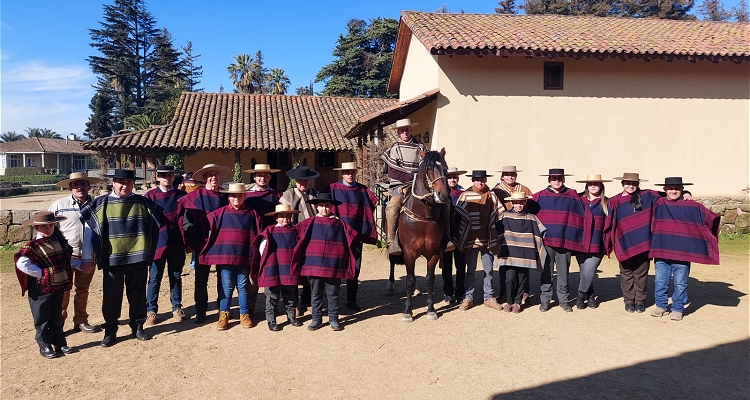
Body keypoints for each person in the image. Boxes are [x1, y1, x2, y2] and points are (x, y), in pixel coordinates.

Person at [80, 169, 161, 347]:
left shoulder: (143, 203)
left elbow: (156, 225)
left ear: (133, 183)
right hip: (112, 258)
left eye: (129, 182)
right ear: (113, 183)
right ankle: (110, 330)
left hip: (137, 257)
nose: (125, 186)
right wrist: (87, 257)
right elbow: (89, 231)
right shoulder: (101, 204)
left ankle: (138, 326)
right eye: (120, 182)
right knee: (111, 296)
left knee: (138, 293)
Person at [649, 177, 719, 321]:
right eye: (670, 188)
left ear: (681, 189)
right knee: (660, 281)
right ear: (664, 190)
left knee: (680, 283)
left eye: (677, 188)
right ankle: (661, 306)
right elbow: (644, 195)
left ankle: (677, 308)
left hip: (683, 252)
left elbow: (709, 218)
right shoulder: (658, 203)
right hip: (662, 250)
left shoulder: (691, 206)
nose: (673, 191)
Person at [14, 211, 77, 358]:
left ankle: (60, 342)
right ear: (36, 228)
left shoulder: (59, 241)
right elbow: (21, 263)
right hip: (40, 289)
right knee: (42, 316)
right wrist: (42, 274)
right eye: (44, 226)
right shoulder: (32, 246)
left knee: (56, 314)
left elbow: (66, 259)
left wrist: (78, 264)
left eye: (50, 225)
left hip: (58, 285)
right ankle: (44, 344)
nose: (48, 229)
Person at [292, 193, 358, 331]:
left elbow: (352, 237)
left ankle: (333, 319)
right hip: (314, 264)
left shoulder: (340, 224)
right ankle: (316, 319)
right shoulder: (309, 223)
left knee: (333, 293)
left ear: (331, 207)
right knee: (315, 294)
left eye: (327, 206)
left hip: (333, 265)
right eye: (321, 206)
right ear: (316, 207)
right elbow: (293, 233)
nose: (324, 209)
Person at [201, 183, 262, 330]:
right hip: (226, 256)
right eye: (233, 195)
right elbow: (204, 225)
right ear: (228, 197)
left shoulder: (252, 213)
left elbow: (258, 233)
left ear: (244, 196)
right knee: (226, 286)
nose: (236, 198)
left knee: (242, 285)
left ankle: (244, 314)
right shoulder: (219, 213)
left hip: (244, 256)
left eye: (240, 195)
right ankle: (224, 314)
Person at [48, 171, 103, 334]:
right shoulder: (58, 205)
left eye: (83, 184)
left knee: (83, 290)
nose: (80, 187)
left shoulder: (97, 206)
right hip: (65, 257)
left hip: (88, 256)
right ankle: (58, 323)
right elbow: (48, 230)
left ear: (89, 186)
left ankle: (81, 320)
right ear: (70, 187)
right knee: (63, 291)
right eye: (76, 184)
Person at [532, 168, 592, 313]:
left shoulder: (572, 195)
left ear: (564, 179)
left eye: (559, 178)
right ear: (549, 180)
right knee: (546, 271)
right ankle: (545, 300)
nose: (557, 181)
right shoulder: (539, 196)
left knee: (563, 273)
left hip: (565, 241)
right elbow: (528, 214)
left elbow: (582, 214)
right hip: (546, 242)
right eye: (553, 178)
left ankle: (564, 300)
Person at [177, 163, 230, 323]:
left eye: (216, 174)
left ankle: (223, 310)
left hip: (222, 245)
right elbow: (187, 223)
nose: (214, 177)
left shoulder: (226, 197)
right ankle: (201, 310)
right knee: (201, 279)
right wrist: (200, 234)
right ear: (205, 178)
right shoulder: (195, 197)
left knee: (224, 278)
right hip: (202, 244)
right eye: (210, 175)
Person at [603, 172, 660, 314]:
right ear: (622, 184)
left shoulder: (648, 196)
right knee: (626, 273)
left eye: (634, 183)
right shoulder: (615, 201)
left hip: (644, 242)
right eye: (628, 183)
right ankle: (628, 300)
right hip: (624, 242)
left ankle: (640, 301)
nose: (631, 186)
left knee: (641, 273)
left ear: (638, 184)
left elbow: (666, 196)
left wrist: (686, 192)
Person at [329, 161, 378, 311]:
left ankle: (351, 300)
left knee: (354, 269)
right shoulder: (332, 188)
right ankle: (333, 302)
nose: (350, 175)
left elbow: (373, 203)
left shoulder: (363, 190)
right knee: (335, 269)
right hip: (337, 236)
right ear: (342, 173)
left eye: (352, 172)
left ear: (356, 173)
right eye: (347, 172)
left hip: (356, 235)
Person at [453, 170, 504, 311]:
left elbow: (500, 213)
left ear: (485, 180)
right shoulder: (465, 195)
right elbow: (459, 214)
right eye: (477, 180)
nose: (480, 182)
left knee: (488, 270)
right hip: (470, 238)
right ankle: (468, 298)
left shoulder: (492, 195)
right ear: (473, 180)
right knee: (470, 270)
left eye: (482, 179)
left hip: (487, 238)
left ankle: (489, 297)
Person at [144, 165, 187, 325]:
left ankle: (176, 307)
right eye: (163, 175)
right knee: (155, 278)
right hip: (157, 243)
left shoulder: (181, 196)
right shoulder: (150, 196)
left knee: (175, 276)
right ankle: (151, 310)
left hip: (176, 242)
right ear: (158, 177)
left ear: (173, 177)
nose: (166, 178)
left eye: (169, 175)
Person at [252, 204, 304, 331]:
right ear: (276, 218)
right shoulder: (269, 231)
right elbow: (262, 250)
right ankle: (271, 319)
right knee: (272, 296)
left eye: (287, 216)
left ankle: (291, 317)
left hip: (288, 268)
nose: (285, 219)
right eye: (282, 216)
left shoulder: (296, 231)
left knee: (290, 295)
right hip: (273, 267)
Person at [381, 118, 428, 256]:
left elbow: (426, 166)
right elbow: (392, 172)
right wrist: (412, 177)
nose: (405, 132)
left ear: (411, 130)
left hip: (420, 185)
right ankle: (392, 241)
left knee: (440, 203)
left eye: (407, 129)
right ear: (398, 133)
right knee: (392, 208)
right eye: (402, 130)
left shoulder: (421, 148)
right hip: (400, 186)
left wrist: (418, 179)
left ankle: (445, 238)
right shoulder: (394, 149)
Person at [495, 193, 547, 314]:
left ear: (525, 203)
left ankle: (517, 302)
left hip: (525, 253)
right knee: (509, 278)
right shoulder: (504, 216)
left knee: (522, 278)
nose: (519, 205)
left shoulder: (531, 217)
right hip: (509, 253)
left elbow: (540, 231)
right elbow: (496, 232)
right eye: (517, 202)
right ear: (512, 203)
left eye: (522, 202)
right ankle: (509, 301)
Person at [280, 165, 320, 316]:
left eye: (306, 181)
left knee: (310, 271)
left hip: (312, 239)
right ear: (296, 180)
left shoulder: (315, 194)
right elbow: (282, 216)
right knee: (294, 272)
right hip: (294, 238)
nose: (303, 184)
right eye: (301, 181)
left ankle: (307, 300)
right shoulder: (288, 195)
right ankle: (293, 304)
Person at [492, 165, 533, 305]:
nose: (510, 177)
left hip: (522, 231)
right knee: (505, 265)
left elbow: (532, 208)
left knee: (524, 266)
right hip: (505, 231)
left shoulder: (524, 189)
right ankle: (505, 292)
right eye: (507, 175)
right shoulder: (496, 191)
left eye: (513, 175)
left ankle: (524, 293)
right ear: (502, 176)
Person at [574, 174, 611, 310]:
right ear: (587, 186)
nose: (593, 186)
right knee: (584, 271)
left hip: (598, 242)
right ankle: (591, 295)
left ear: (601, 186)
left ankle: (580, 296)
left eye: (596, 183)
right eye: (590, 184)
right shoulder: (579, 200)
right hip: (580, 242)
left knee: (590, 269)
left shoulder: (607, 202)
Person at [442, 167, 467, 304]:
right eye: (450, 177)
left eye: (455, 177)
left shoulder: (464, 194)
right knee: (446, 265)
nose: (453, 179)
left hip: (461, 234)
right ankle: (448, 292)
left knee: (461, 265)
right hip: (446, 236)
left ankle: (460, 291)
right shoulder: (440, 194)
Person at [243, 163, 282, 227]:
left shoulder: (277, 194)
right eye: (259, 175)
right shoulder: (247, 194)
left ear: (270, 177)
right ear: (254, 177)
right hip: (251, 227)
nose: (263, 178)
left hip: (271, 229)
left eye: (266, 175)